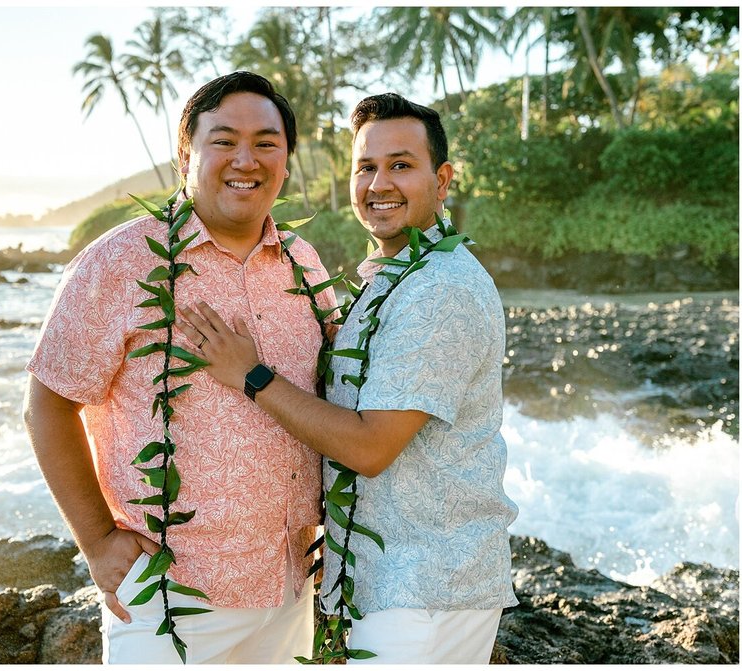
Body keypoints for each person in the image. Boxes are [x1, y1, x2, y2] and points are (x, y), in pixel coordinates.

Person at [177, 93, 518, 664]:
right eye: (366, 166)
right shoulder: (393, 278)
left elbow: (369, 445)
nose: (379, 183)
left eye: (401, 165)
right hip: (388, 580)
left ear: (443, 179)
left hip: (427, 587)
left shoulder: (442, 289)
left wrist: (250, 374)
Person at [23, 71, 335, 664]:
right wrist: (96, 540)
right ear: (186, 153)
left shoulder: (303, 262)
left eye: (267, 143)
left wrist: (336, 523)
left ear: (287, 162)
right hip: (170, 596)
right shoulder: (121, 260)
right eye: (224, 140)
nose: (246, 159)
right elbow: (49, 402)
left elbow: (332, 400)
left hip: (291, 586)